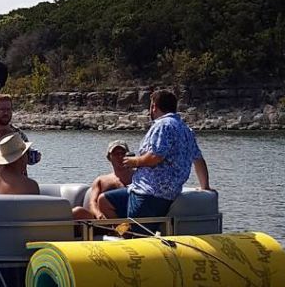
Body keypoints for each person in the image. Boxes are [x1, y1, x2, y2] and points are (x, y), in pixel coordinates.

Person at [118, 89, 211, 221]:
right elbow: (198, 160)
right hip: (169, 193)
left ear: (154, 106)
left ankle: (122, 237)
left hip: (149, 192)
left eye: (150, 106)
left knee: (133, 231)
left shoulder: (163, 125)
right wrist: (205, 186)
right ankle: (116, 234)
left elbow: (155, 157)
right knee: (106, 200)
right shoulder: (185, 129)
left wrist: (134, 161)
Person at [72, 139, 133, 220]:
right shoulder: (101, 180)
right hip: (105, 221)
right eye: (116, 154)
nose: (120, 157)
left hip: (131, 217)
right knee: (77, 212)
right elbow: (92, 202)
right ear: (109, 157)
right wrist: (98, 214)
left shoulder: (139, 176)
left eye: (123, 153)